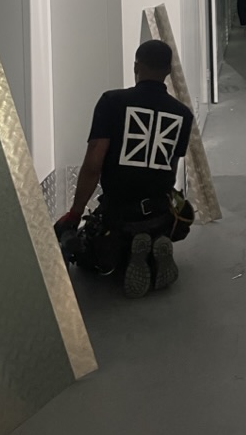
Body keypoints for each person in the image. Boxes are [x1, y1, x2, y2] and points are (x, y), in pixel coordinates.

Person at [53, 39, 194, 298]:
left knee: (90, 257)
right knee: (155, 219)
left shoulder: (112, 102)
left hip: (119, 211)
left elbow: (93, 163)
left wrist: (75, 213)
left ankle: (128, 250)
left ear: (135, 66)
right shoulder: (183, 114)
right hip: (160, 211)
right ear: (168, 71)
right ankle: (154, 244)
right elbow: (170, 169)